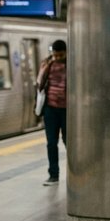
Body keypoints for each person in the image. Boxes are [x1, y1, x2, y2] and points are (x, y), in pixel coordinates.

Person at [37, 39, 67, 186]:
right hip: (50, 109)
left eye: (60, 55)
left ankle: (75, 172)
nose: (58, 57)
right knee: (51, 143)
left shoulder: (71, 64)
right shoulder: (48, 64)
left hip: (67, 109)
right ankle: (53, 175)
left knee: (69, 142)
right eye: (55, 55)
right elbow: (40, 83)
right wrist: (47, 65)